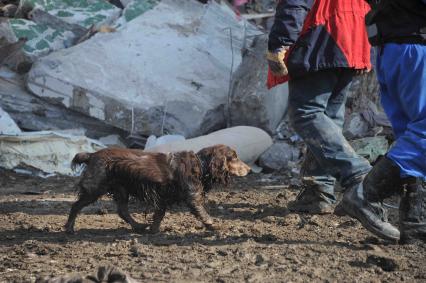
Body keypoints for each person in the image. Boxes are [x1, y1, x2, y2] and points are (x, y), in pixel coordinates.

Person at [267, 0, 400, 240]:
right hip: (354, 32)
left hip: (325, 31)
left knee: (306, 113)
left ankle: (359, 175)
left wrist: (281, 42)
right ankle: (317, 191)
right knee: (328, 116)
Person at [336, 0, 426, 244]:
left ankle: (414, 224)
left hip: (390, 48)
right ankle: (365, 195)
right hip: (414, 46)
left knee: (411, 136)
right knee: (421, 135)